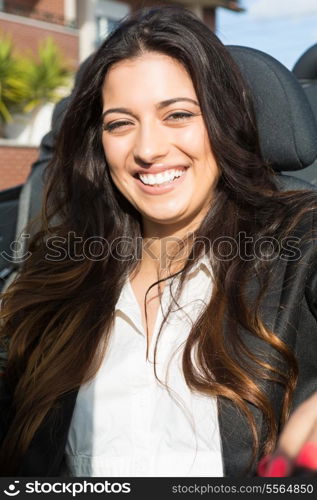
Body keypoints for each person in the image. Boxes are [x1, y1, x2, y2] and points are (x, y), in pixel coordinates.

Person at [1, 6, 317, 478]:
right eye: (120, 124)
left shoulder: (301, 241)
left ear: (223, 121)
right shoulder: (56, 267)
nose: (148, 150)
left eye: (178, 114)